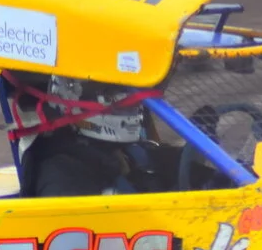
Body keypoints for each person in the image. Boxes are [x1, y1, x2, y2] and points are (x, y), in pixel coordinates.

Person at [17, 76, 171, 197]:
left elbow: (171, 160)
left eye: (132, 103)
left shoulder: (127, 151)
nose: (132, 109)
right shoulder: (61, 175)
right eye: (117, 99)